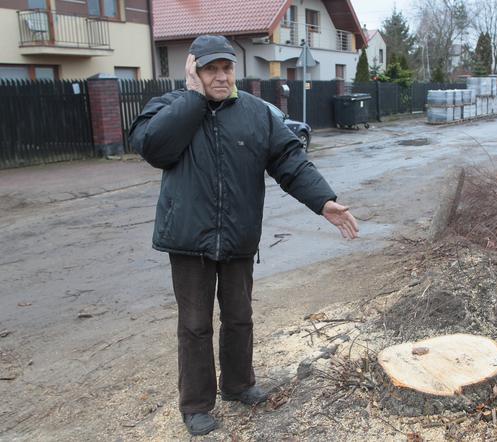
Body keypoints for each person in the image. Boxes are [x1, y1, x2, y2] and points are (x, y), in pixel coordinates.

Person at [128, 34, 359, 436]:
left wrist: (324, 201)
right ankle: (197, 405)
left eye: (226, 68)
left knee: (239, 317)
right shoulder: (169, 108)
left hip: (237, 237)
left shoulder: (256, 113)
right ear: (193, 70)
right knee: (196, 323)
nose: (220, 76)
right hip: (188, 240)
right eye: (210, 69)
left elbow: (290, 160)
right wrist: (194, 100)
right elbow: (153, 148)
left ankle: (238, 385)